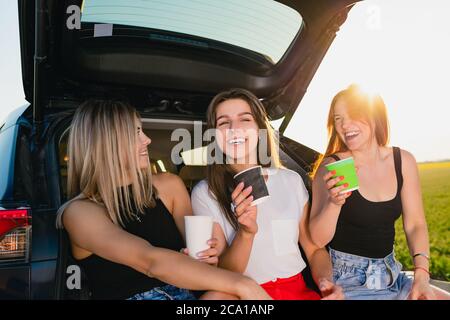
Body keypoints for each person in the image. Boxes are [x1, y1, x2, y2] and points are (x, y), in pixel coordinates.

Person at [56, 99, 272, 300]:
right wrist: (244, 285)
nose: (146, 139)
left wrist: (210, 253)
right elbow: (150, 261)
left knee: (224, 296)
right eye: (136, 132)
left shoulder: (169, 185)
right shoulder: (78, 212)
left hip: (184, 294)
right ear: (106, 143)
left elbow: (201, 251)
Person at [190, 88, 344, 300]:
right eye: (224, 123)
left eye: (245, 119)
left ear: (259, 128)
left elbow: (314, 250)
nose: (234, 128)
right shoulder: (205, 193)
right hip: (246, 296)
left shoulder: (290, 180)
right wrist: (245, 232)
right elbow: (224, 275)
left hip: (298, 291)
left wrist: (326, 282)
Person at [309, 84, 450, 300]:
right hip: (349, 282)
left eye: (353, 115)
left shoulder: (402, 160)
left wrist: (421, 274)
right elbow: (317, 240)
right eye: (338, 118)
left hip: (392, 274)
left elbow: (415, 224)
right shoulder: (335, 166)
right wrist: (334, 204)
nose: (345, 124)